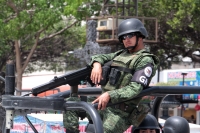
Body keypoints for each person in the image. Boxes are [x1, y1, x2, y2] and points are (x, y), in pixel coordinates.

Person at [63, 18, 159, 133]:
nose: (126, 40)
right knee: (71, 103)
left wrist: (110, 94)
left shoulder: (145, 60)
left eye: (130, 36)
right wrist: (97, 64)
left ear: (140, 36)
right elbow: (100, 57)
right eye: (123, 37)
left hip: (120, 112)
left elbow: (135, 88)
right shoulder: (120, 54)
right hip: (103, 105)